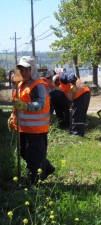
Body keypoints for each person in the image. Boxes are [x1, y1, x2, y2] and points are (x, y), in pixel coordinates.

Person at [7, 56, 55, 185]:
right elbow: (17, 104)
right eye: (21, 70)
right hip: (24, 128)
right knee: (25, 152)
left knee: (33, 157)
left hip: (36, 130)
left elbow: (40, 104)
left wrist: (25, 106)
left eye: (26, 70)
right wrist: (13, 116)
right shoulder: (22, 84)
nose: (23, 73)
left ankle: (34, 183)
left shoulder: (38, 86)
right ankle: (47, 168)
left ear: (33, 70)